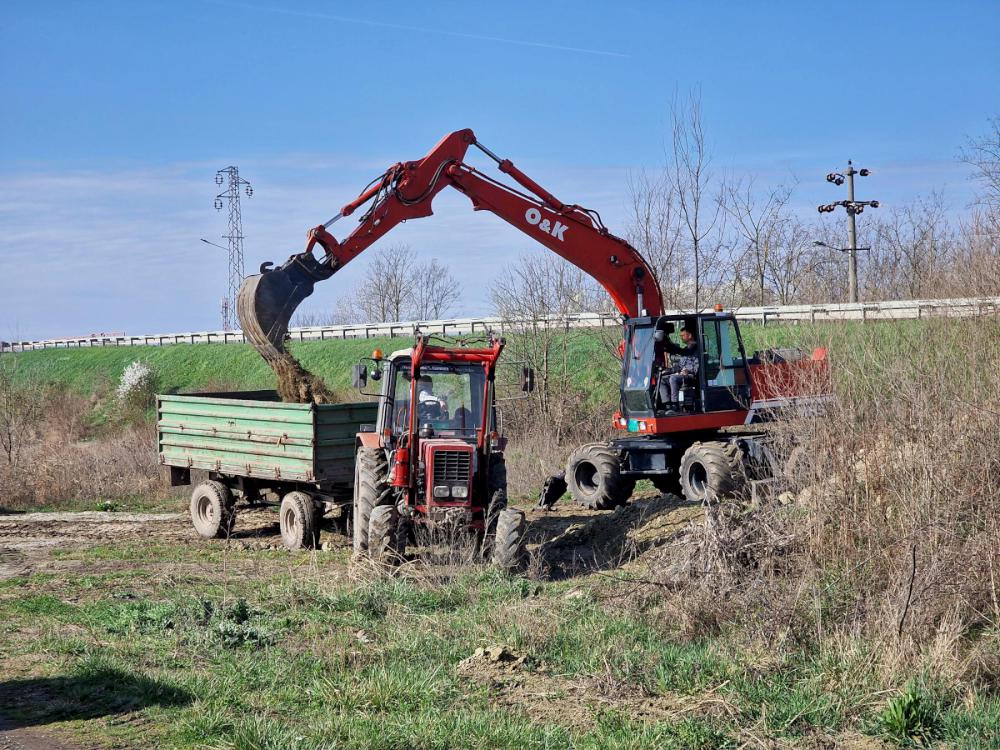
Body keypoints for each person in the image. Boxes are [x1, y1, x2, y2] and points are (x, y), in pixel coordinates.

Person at [659, 326, 699, 412]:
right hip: (682, 375)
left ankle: (675, 405)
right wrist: (668, 370)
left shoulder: (697, 349)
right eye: (680, 336)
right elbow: (679, 366)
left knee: (673, 378)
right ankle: (667, 405)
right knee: (661, 379)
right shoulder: (686, 350)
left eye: (683, 335)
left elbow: (697, 367)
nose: (681, 338)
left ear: (690, 335)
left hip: (691, 376)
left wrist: (687, 371)